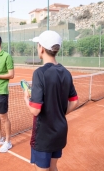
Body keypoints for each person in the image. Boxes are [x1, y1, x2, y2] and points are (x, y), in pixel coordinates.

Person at [23, 30, 79, 171]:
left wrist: (26, 99)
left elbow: (35, 110)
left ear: (41, 48)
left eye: (38, 45)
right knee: (53, 167)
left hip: (44, 135)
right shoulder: (66, 72)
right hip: (60, 131)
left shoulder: (39, 73)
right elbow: (74, 101)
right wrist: (58, 113)